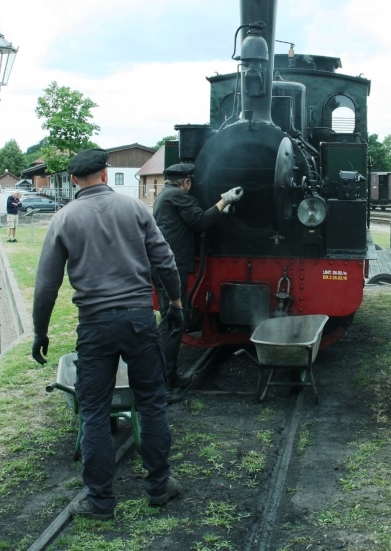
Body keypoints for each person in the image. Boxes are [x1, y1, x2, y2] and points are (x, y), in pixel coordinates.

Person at [31, 148, 183, 519]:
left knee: (94, 411)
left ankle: (99, 500)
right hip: (138, 319)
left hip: (95, 324)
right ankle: (159, 485)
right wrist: (176, 303)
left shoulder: (64, 219)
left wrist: (40, 331)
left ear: (72, 180)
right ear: (104, 173)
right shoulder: (135, 209)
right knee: (151, 401)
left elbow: (45, 285)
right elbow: (165, 260)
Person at [152, 163, 243, 396]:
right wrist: (225, 200)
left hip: (163, 264)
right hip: (171, 266)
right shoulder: (179, 197)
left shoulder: (165, 195)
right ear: (185, 182)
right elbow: (200, 222)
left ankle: (164, 376)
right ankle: (164, 380)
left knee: (170, 320)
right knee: (173, 322)